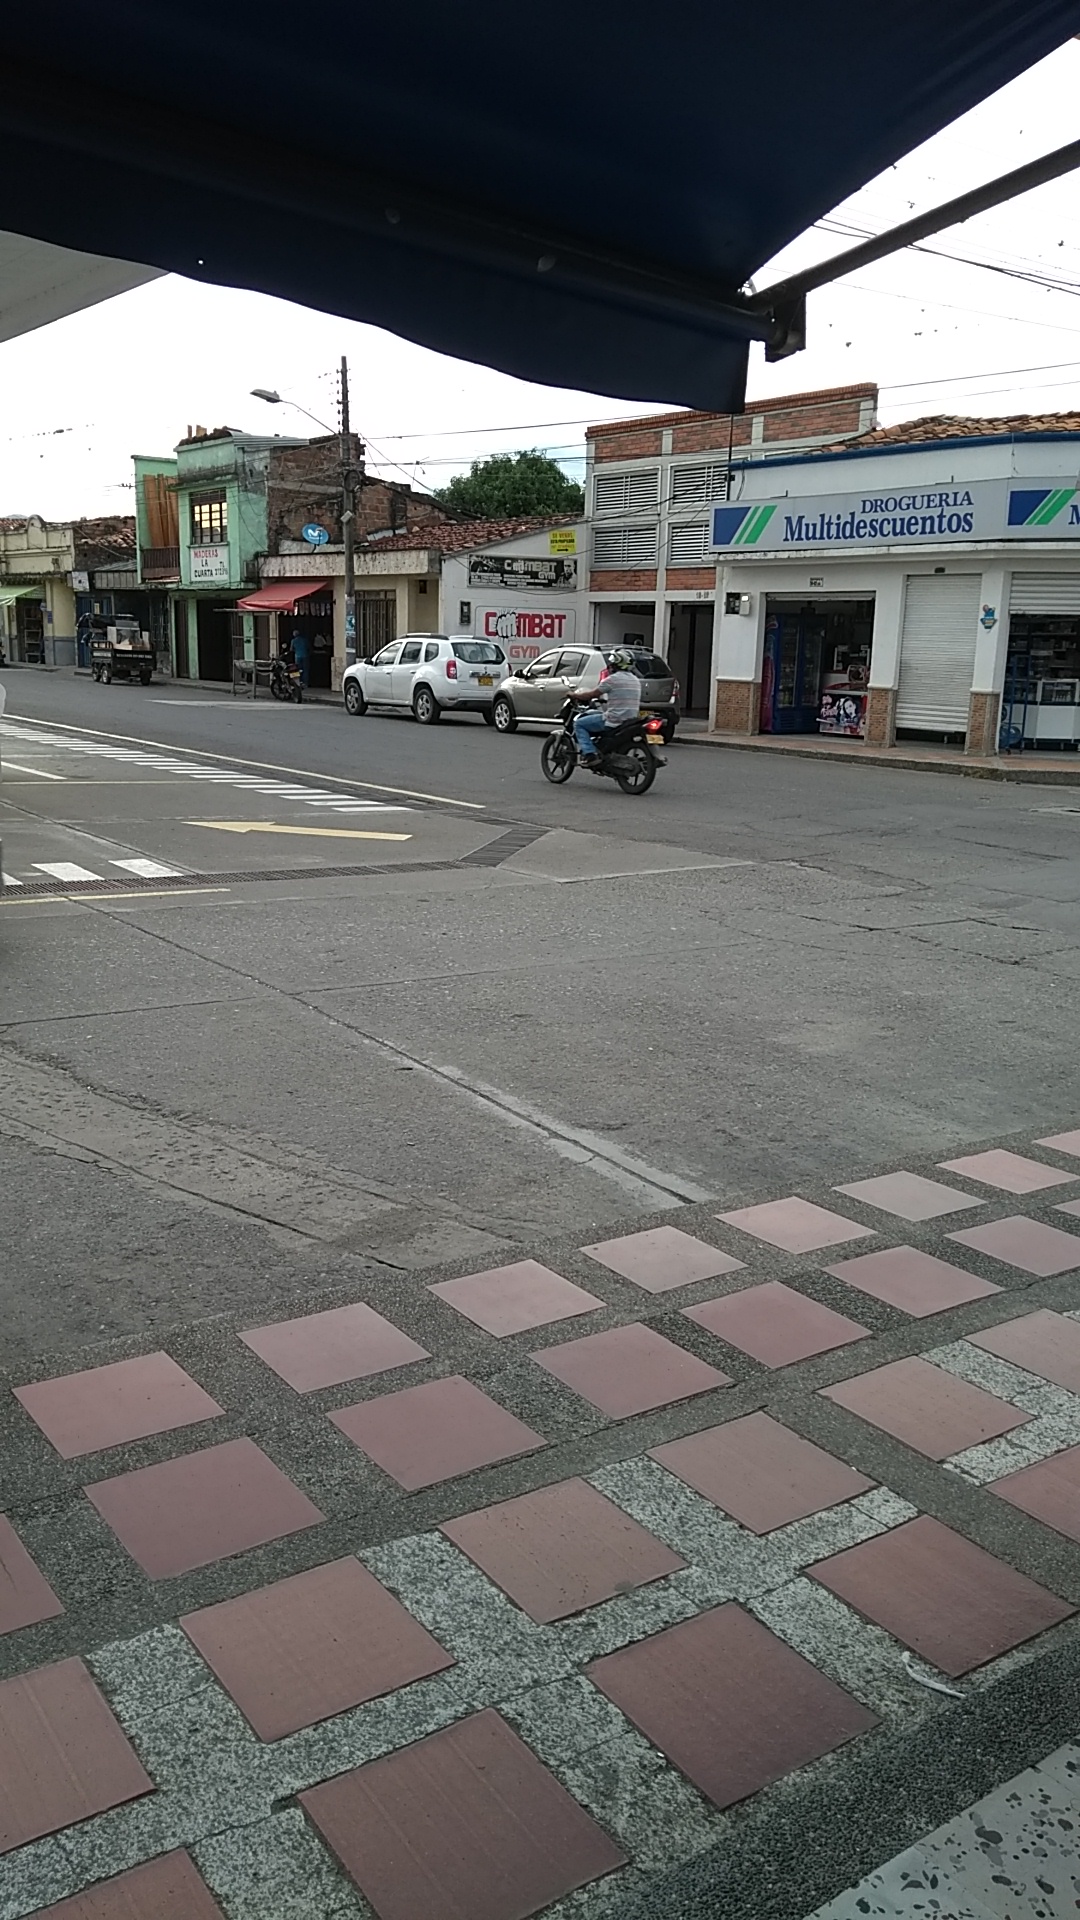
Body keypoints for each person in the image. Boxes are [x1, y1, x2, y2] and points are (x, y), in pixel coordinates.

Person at [572, 649, 641, 765]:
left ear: (615, 664)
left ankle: (590, 754)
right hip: (630, 720)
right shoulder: (635, 680)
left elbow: (592, 694)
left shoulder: (612, 680)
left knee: (579, 724)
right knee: (595, 715)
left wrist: (574, 695)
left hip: (614, 720)